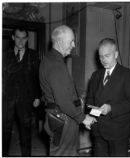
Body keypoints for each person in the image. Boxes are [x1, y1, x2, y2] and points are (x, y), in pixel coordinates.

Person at [39, 25, 96, 156]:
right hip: (64, 119)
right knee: (65, 153)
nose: (74, 45)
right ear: (60, 41)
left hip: (57, 116)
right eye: (71, 41)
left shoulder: (49, 59)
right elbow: (63, 101)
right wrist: (82, 118)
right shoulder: (56, 65)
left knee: (59, 151)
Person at [86, 38, 130, 156]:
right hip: (98, 130)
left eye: (107, 56)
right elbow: (90, 100)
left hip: (118, 131)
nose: (103, 60)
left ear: (116, 54)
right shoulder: (95, 75)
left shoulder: (127, 75)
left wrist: (111, 108)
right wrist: (92, 115)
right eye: (101, 56)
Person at [2, 27, 41, 156]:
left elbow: (37, 77)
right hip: (7, 100)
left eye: (24, 38)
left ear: (27, 39)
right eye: (18, 37)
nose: (20, 41)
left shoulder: (34, 55)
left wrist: (37, 97)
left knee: (26, 132)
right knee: (4, 132)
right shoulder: (4, 55)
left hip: (26, 100)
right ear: (13, 37)